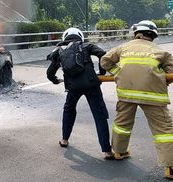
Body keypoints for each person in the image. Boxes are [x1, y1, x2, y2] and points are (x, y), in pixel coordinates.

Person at [100, 20, 173, 179]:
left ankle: (119, 152)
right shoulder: (160, 51)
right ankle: (171, 167)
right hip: (152, 96)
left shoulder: (123, 47)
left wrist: (117, 72)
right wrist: (162, 80)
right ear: (153, 34)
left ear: (136, 33)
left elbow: (105, 61)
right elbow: (171, 71)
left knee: (122, 124)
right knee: (164, 130)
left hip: (126, 93)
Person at [46, 27, 113, 159]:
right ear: (80, 36)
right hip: (91, 84)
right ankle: (107, 151)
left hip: (73, 87)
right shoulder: (87, 45)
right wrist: (102, 72)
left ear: (65, 37)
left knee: (69, 110)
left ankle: (64, 139)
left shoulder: (60, 50)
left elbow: (49, 73)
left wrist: (55, 81)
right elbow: (103, 55)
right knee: (99, 116)